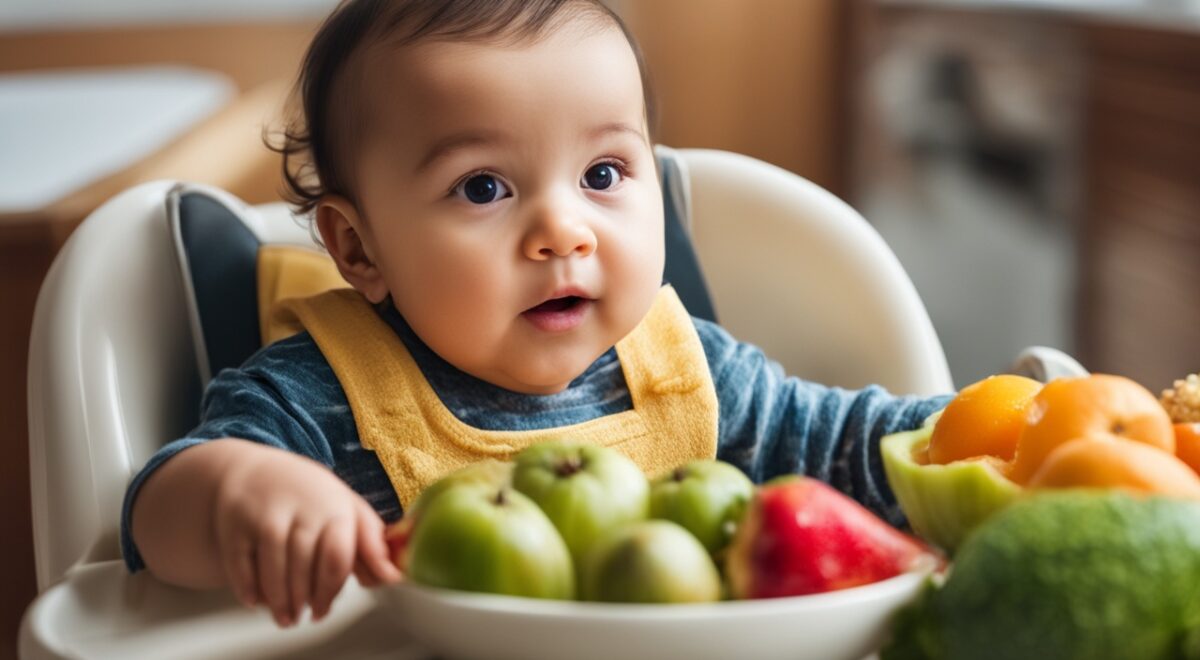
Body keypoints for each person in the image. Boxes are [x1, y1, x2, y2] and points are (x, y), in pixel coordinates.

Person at [123, 0, 953, 630]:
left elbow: (860, 451)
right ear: (359, 246)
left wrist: (1007, 436)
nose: (565, 229)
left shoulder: (690, 372)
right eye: (483, 187)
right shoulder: (321, 396)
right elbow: (157, 517)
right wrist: (248, 489)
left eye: (602, 173)